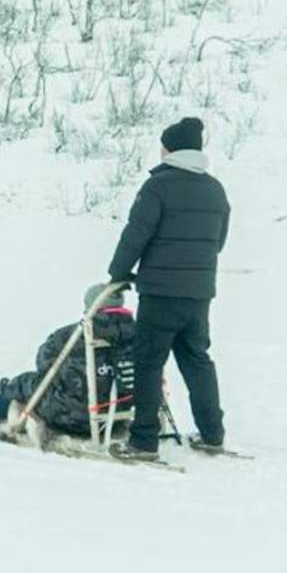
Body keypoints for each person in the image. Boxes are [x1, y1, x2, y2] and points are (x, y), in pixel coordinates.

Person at [104, 117, 231, 462]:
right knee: (197, 360)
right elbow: (218, 242)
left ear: (171, 149)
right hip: (199, 292)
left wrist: (118, 272)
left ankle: (144, 441)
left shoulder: (158, 187)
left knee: (147, 362)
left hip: (160, 292)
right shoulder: (215, 189)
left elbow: (136, 234)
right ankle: (212, 435)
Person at [0, 283, 137, 436]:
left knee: (27, 381)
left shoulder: (71, 335)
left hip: (72, 416)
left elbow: (43, 364)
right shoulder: (137, 334)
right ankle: (9, 392)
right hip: (116, 415)